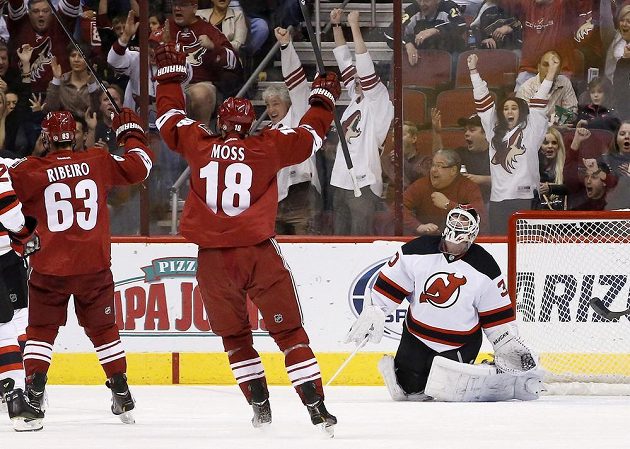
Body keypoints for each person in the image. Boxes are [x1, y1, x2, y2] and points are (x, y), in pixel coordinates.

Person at [154, 42, 340, 434]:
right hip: (257, 254)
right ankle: (317, 406)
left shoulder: (199, 144)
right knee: (290, 333)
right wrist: (323, 99)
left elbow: (169, 118)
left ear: (221, 123)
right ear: (250, 122)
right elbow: (310, 137)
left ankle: (260, 405)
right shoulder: (266, 146)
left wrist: (169, 78)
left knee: (236, 337)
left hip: (213, 261)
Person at [6, 108, 154, 426]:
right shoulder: (98, 161)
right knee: (103, 331)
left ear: (45, 137)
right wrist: (130, 131)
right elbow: (141, 168)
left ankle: (34, 394)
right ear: (74, 134)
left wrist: (22, 241)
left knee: (41, 333)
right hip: (94, 266)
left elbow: (4, 190)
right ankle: (121, 391)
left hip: (49, 267)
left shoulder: (30, 170)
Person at [345, 205, 543, 402]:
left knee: (451, 391)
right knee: (407, 390)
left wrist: (506, 343)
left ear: (472, 232)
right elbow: (388, 287)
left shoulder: (485, 266)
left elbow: (497, 317)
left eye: (464, 222)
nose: (458, 225)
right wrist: (376, 310)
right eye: (456, 219)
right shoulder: (415, 251)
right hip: (416, 338)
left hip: (459, 344)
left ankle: (488, 369)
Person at [468, 52, 555, 234]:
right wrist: (473, 71)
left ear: (521, 112)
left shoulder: (531, 132)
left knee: (526, 250)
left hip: (526, 198)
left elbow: (539, 102)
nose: (509, 111)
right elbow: (483, 101)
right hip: (498, 200)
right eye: (506, 108)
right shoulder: (493, 132)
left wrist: (550, 75)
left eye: (514, 108)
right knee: (502, 247)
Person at [330, 9, 394, 235]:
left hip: (363, 183)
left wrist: (354, 26)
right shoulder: (355, 99)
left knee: (359, 240)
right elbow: (344, 61)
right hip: (341, 179)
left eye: (361, 79)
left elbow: (364, 68)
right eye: (354, 79)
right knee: (338, 242)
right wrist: (337, 27)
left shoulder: (379, 101)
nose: (356, 80)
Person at [266, 26, 321, 235]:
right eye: (268, 105)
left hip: (301, 196)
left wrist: (286, 46)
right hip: (276, 202)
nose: (271, 109)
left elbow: (296, 84)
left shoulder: (298, 116)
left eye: (275, 103)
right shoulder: (268, 133)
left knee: (305, 252)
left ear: (287, 104)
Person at [0, 161, 43, 432]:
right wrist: (27, 231)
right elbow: (11, 215)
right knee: (6, 328)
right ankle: (16, 397)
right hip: (4, 258)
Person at [167, 0, 242, 124]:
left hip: (198, 83)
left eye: (183, 5)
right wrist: (163, 44)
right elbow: (147, 55)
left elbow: (234, 62)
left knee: (200, 94)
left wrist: (213, 47)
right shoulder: (166, 27)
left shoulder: (209, 30)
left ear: (194, 8)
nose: (177, 9)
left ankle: (200, 138)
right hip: (168, 82)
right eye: (175, 4)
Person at [402, 149, 487, 235]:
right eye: (432, 165)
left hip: (459, 242)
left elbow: (480, 217)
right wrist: (418, 226)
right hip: (425, 241)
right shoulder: (421, 185)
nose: (433, 170)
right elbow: (398, 207)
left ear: (453, 170)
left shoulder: (468, 187)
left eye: (439, 166)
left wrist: (448, 205)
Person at [6, 0, 81, 95]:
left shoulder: (61, 23)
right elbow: (15, 4)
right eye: (36, 11)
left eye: (45, 11)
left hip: (59, 95)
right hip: (23, 95)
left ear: (51, 12)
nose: (41, 14)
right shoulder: (19, 24)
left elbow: (72, 2)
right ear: (29, 13)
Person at [385, 0, 466, 64]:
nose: (422, 4)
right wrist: (407, 44)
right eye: (419, 0)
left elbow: (461, 25)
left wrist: (436, 30)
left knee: (457, 60)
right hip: (421, 55)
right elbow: (390, 33)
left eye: (427, 0)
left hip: (449, 53)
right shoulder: (413, 9)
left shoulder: (449, 7)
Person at [516, 50, 578, 125]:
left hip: (560, 132)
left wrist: (551, 118)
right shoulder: (526, 88)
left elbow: (572, 113)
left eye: (554, 65)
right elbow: (527, 120)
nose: (549, 69)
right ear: (538, 67)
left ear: (559, 69)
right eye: (545, 65)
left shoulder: (565, 82)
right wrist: (554, 121)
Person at [535, 127, 568, 210]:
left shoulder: (566, 168)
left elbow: (573, 188)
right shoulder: (533, 169)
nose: (550, 146)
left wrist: (550, 188)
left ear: (559, 146)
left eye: (554, 143)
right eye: (546, 143)